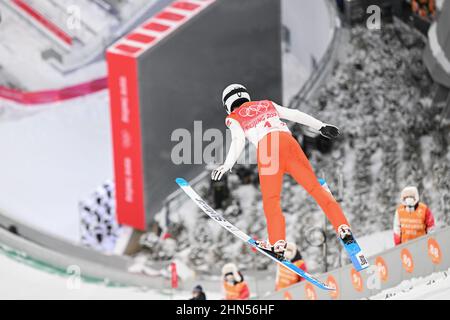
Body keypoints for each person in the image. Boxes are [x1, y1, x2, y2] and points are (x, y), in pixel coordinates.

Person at [211, 84, 353, 259]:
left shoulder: (233, 117)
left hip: (268, 149)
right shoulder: (266, 104)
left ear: (228, 104)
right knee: (316, 188)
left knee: (272, 200)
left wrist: (227, 165)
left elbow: (238, 139)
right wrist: (321, 126)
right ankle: (342, 227)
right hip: (289, 143)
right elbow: (295, 114)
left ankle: (278, 243)